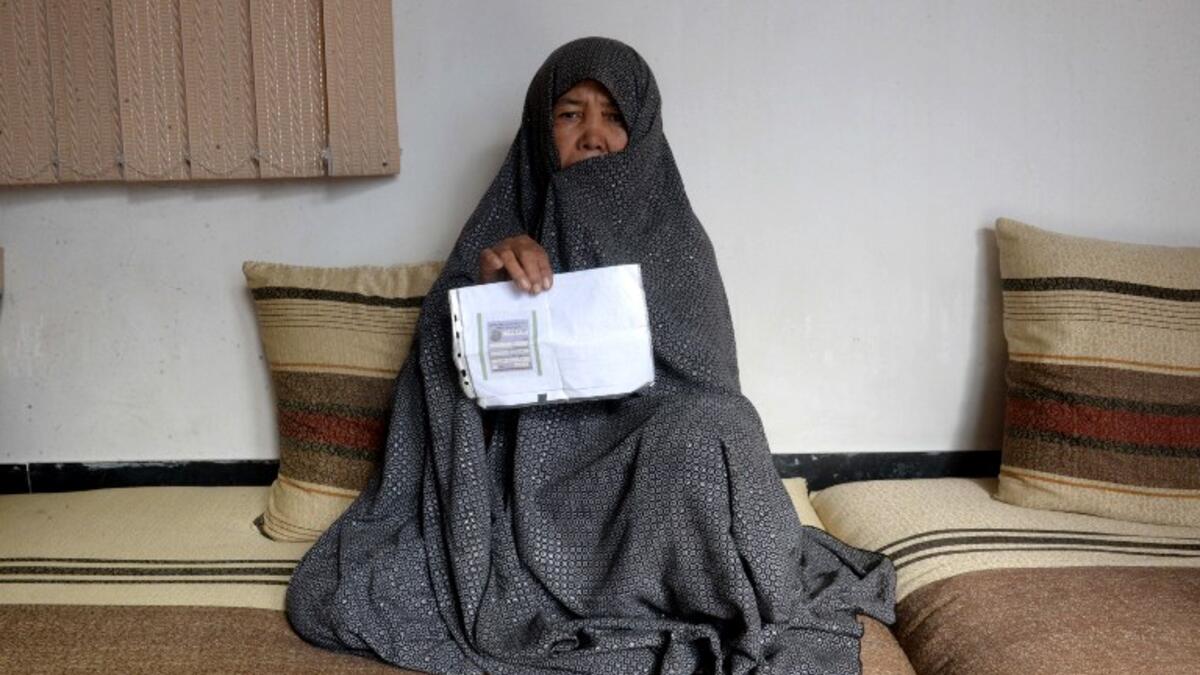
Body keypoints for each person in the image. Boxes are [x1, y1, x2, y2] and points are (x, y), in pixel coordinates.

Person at [287, 37, 895, 675]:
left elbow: (707, 395)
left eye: (614, 118)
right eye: (571, 114)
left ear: (644, 133)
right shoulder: (497, 241)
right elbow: (441, 403)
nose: (595, 135)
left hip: (645, 494)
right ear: (540, 133)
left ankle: (717, 594)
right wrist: (485, 300)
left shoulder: (679, 244)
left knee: (720, 427)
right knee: (346, 597)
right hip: (527, 491)